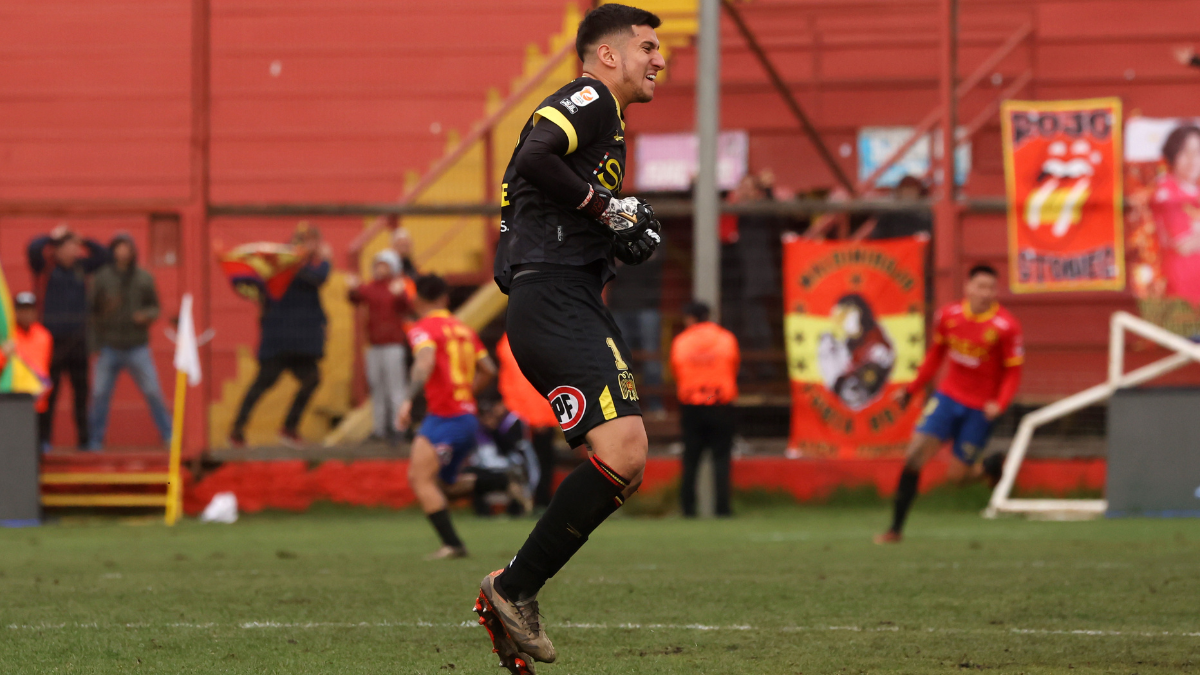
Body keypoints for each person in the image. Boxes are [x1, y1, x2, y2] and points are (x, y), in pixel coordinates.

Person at [478, 5, 666, 672]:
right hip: (552, 295)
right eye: (646, 47)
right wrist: (604, 208)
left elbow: (540, 187)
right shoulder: (588, 96)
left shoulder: (603, 120)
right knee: (625, 448)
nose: (658, 59)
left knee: (627, 452)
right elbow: (533, 159)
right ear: (607, 55)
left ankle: (514, 589)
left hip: (563, 294)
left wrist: (611, 226)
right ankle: (512, 586)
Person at [877, 264, 1024, 544]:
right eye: (980, 287)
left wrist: (1000, 403)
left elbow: (1013, 371)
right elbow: (936, 355)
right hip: (947, 398)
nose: (985, 293)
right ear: (968, 287)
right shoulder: (949, 316)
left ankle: (987, 470)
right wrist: (911, 390)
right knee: (914, 455)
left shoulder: (1006, 327)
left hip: (980, 408)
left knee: (957, 477)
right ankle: (895, 529)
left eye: (991, 288)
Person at [399, 274, 497, 560]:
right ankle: (501, 480)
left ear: (417, 299)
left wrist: (406, 399)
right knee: (444, 482)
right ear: (445, 299)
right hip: (467, 416)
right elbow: (489, 369)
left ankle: (452, 544)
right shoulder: (465, 329)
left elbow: (425, 361)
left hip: (444, 416)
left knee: (420, 479)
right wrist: (467, 393)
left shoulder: (423, 328)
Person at [229, 224, 331, 448]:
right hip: (280, 339)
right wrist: (317, 259)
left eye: (315, 240)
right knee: (263, 382)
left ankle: (288, 429)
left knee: (311, 379)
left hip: (302, 341)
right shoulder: (281, 264)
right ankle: (237, 430)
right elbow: (316, 277)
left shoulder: (303, 266)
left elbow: (317, 278)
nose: (313, 245)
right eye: (308, 241)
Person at [87, 234, 173, 450]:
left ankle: (169, 434)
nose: (122, 253)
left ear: (133, 251)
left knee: (153, 391)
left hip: (137, 346)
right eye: (118, 248)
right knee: (99, 394)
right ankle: (96, 439)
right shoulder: (102, 277)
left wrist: (146, 315)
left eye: (126, 248)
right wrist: (95, 345)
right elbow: (92, 312)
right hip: (109, 346)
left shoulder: (144, 278)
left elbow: (156, 307)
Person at [27, 226, 108, 448]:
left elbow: (104, 256)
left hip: (78, 340)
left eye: (75, 247)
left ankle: (85, 441)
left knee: (81, 395)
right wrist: (51, 236)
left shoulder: (81, 268)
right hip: (52, 342)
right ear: (57, 250)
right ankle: (44, 440)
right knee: (48, 395)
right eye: (68, 246)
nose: (73, 251)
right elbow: (33, 248)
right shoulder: (46, 267)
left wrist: (83, 239)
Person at [671, 301, 740, 517]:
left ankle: (688, 509)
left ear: (690, 318)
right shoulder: (726, 338)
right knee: (721, 458)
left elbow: (676, 369)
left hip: (692, 405)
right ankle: (723, 509)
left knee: (691, 460)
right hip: (721, 404)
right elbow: (734, 366)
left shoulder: (682, 341)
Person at [347, 249, 412, 443]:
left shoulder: (396, 287)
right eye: (377, 264)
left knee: (395, 389)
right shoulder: (372, 287)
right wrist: (352, 288)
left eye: (383, 265)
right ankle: (379, 429)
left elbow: (406, 308)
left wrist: (401, 295)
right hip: (375, 346)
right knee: (377, 389)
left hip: (393, 345)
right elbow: (356, 297)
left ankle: (398, 428)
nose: (379, 268)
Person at [496, 333, 560, 508]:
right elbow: (525, 382)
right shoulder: (532, 336)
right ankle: (533, 502)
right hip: (529, 415)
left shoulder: (511, 339)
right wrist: (538, 416)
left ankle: (528, 502)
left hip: (522, 412)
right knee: (536, 462)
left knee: (529, 461)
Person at [1149, 125, 1200, 305]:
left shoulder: (1196, 190)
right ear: (1172, 155)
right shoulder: (1166, 191)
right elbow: (1183, 245)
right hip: (1182, 292)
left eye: (1198, 152)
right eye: (1185, 152)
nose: (1193, 159)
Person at [468, 396, 539, 517]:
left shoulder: (512, 420)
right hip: (492, 464)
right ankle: (485, 510)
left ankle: (524, 508)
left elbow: (510, 447)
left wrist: (494, 430)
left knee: (515, 481)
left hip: (512, 463)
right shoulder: (482, 426)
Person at [0, 293, 54, 449]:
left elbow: (43, 368)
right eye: (22, 310)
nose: (26, 314)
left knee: (35, 449)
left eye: (29, 310)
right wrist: (4, 353)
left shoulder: (44, 336)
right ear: (15, 312)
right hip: (11, 400)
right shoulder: (7, 336)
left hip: (35, 401)